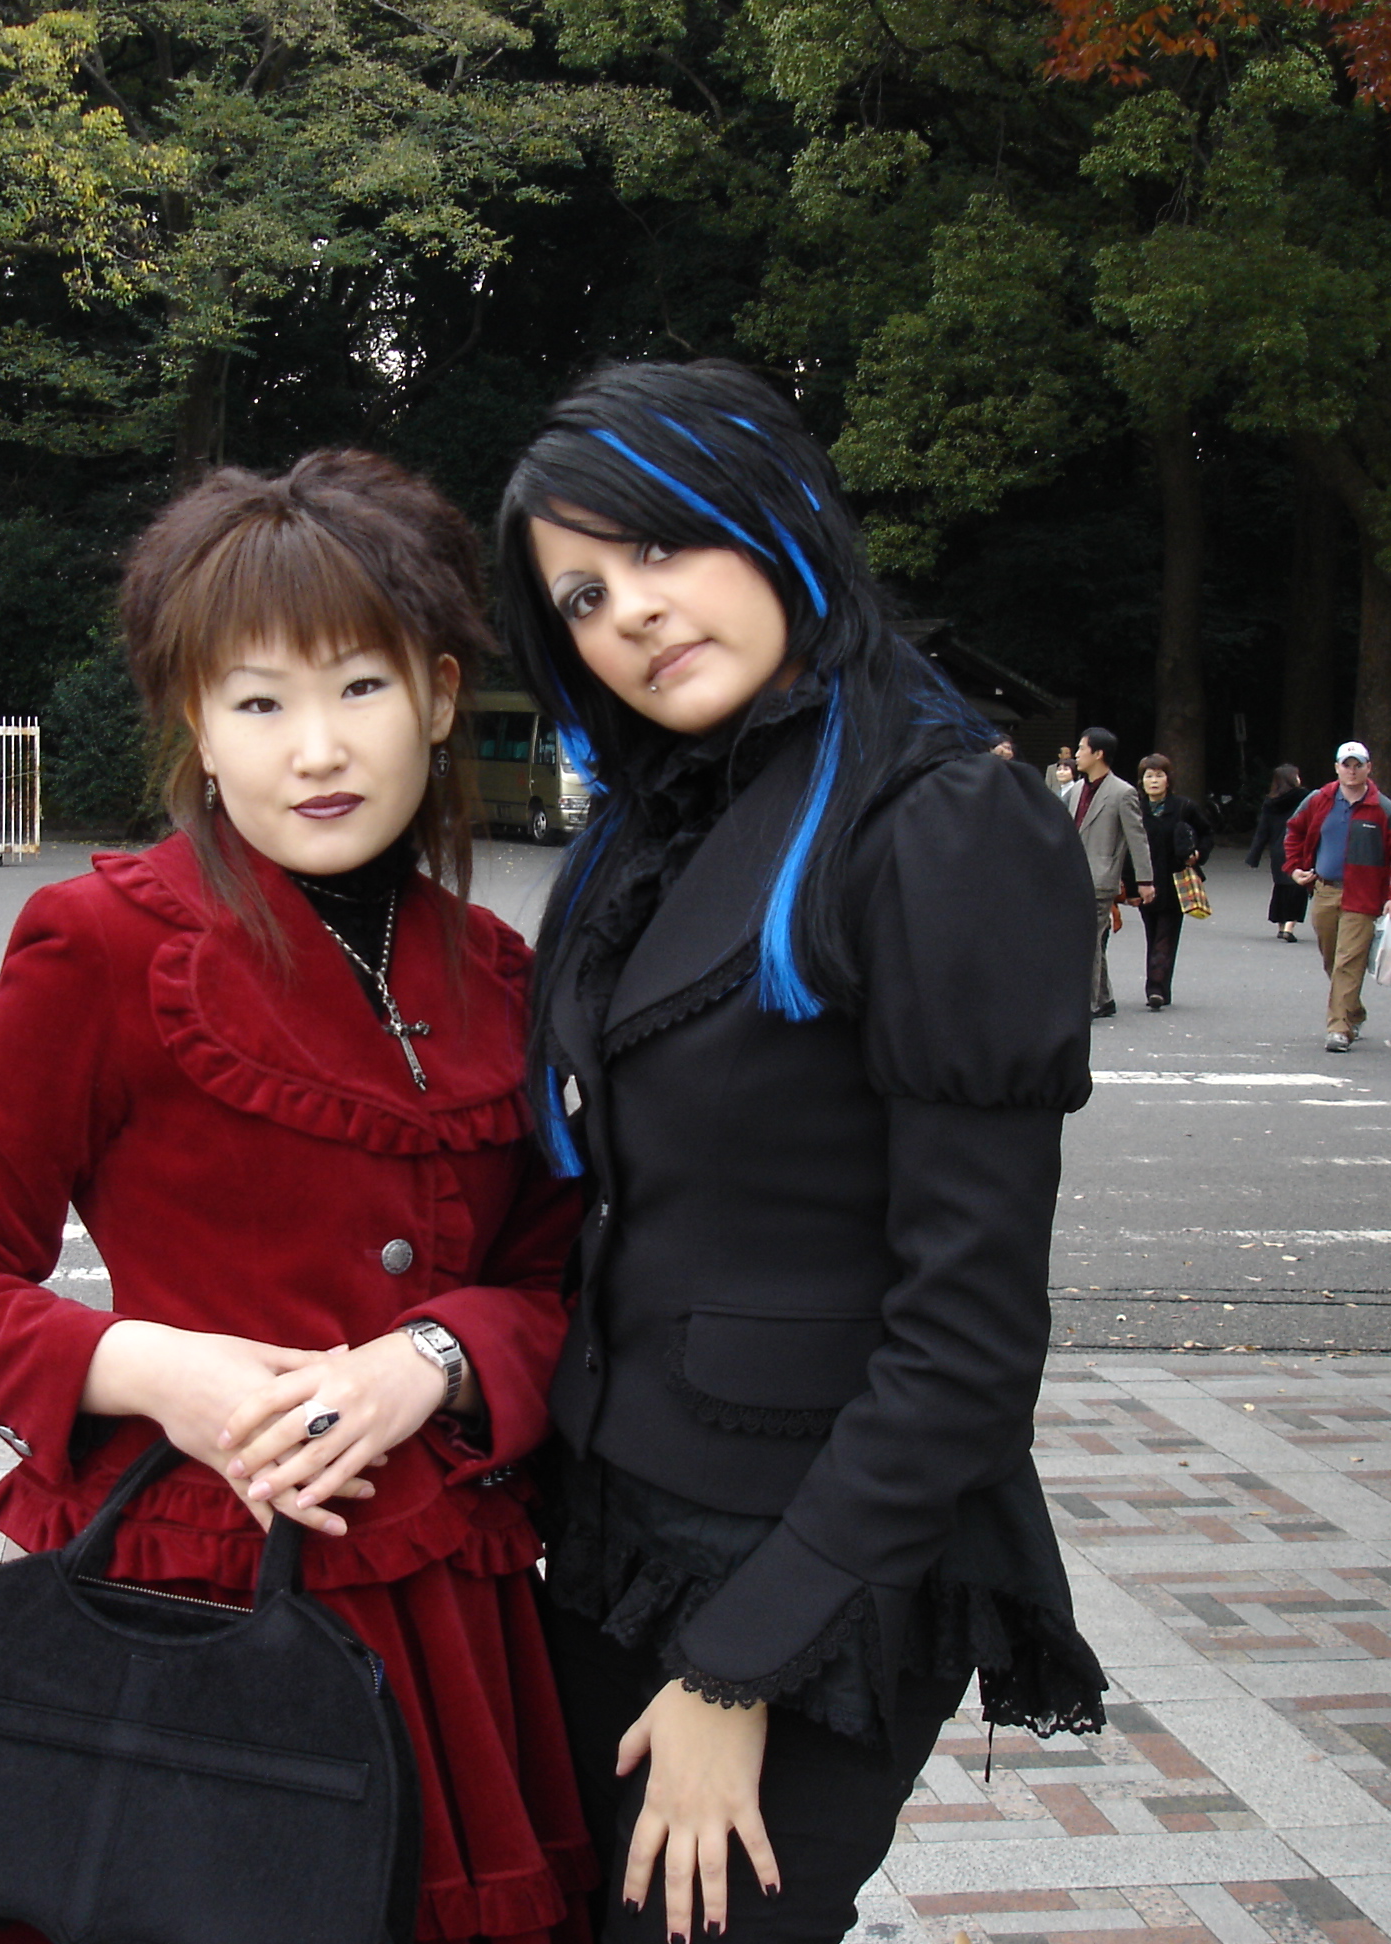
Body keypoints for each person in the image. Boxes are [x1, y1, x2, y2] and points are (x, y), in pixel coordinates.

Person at [0, 451, 595, 1944]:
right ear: (196, 727)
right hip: (184, 1592)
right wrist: (159, 1371)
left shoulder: (503, 975)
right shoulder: (103, 945)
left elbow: (556, 1281)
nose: (313, 750)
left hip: (447, 1611)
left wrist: (433, 1360)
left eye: (361, 689)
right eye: (257, 702)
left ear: (444, 695)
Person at [497, 360, 1107, 1944]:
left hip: (817, 1558)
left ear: (774, 517)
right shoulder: (660, 819)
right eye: (581, 591)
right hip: (609, 1521)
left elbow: (969, 1339)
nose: (629, 609)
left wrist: (737, 1662)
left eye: (662, 545)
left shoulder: (943, 826)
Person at [1281, 740, 1391, 1053]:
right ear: (1337, 768)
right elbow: (1294, 831)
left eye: (1358, 765)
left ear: (1369, 768)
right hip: (1325, 890)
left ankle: (1338, 1029)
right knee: (1331, 958)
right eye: (1346, 764)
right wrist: (1294, 868)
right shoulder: (1319, 800)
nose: (1352, 771)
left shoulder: (1384, 809)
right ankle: (1354, 1011)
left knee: (1348, 961)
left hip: (1364, 896)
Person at [1061, 727, 1155, 1018]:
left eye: (1081, 748)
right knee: (1088, 937)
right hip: (1075, 875)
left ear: (1098, 753)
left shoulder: (1122, 792)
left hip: (1101, 877)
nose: (1076, 754)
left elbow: (1137, 838)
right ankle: (1103, 998)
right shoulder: (1076, 789)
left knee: (1087, 938)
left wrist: (1145, 880)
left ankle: (1088, 1002)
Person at [1134, 753, 1213, 1008]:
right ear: (1142, 781)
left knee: (1166, 935)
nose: (1154, 781)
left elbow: (1206, 832)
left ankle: (1155, 988)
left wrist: (1198, 854)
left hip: (1176, 881)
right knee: (1152, 933)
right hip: (1146, 881)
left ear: (1169, 780)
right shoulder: (1136, 808)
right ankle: (1160, 986)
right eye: (1149, 776)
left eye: (1159, 775)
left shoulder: (1183, 807)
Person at [1243, 763, 1312, 943]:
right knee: (1298, 886)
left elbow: (1262, 830)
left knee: (1281, 886)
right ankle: (1290, 925)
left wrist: (1254, 856)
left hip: (1277, 849)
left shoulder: (1271, 802)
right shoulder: (1304, 798)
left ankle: (1281, 925)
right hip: (1298, 847)